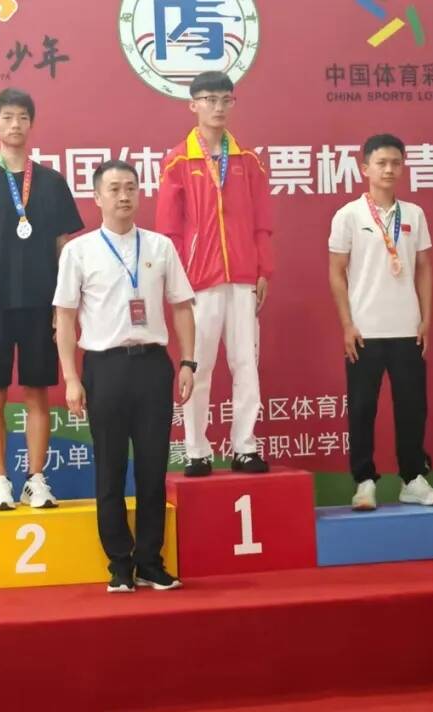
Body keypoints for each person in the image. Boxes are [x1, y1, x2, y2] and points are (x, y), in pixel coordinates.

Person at [54, 160, 197, 593]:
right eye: (114, 189)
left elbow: (182, 307)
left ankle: (150, 561)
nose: (123, 196)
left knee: (153, 468)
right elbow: (65, 318)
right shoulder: (79, 251)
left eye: (131, 188)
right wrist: (71, 377)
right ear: (97, 197)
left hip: (152, 365)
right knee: (110, 467)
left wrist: (188, 362)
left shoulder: (159, 246)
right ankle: (119, 563)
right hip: (105, 367)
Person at [0, 87, 84, 511]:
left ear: (32, 124)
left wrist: (63, 306)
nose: (15, 124)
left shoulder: (52, 183)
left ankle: (35, 480)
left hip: (42, 304)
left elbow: (64, 246)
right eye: (7, 117)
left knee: (38, 393)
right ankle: (0, 483)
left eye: (23, 117)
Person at [155, 70, 273, 477]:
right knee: (198, 365)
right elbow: (169, 230)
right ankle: (196, 451)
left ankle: (245, 447)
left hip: (243, 277)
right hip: (197, 281)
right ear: (193, 105)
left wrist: (263, 268)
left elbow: (262, 222)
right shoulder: (178, 161)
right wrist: (177, 280)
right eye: (209, 99)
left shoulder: (248, 160)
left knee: (246, 363)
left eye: (225, 99)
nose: (218, 107)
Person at [327, 134, 433, 511]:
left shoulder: (414, 214)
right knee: (362, 408)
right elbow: (336, 272)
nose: (389, 169)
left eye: (396, 162)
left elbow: (424, 268)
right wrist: (347, 324)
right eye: (381, 163)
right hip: (364, 330)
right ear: (365, 168)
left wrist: (425, 319)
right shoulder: (349, 215)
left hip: (407, 329)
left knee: (412, 408)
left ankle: (413, 479)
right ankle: (364, 482)